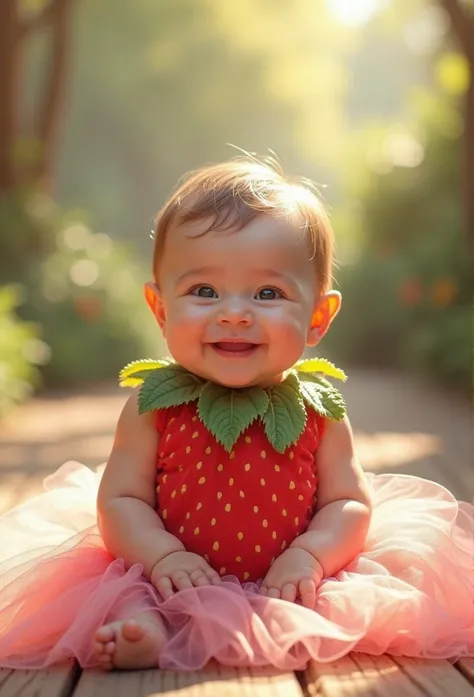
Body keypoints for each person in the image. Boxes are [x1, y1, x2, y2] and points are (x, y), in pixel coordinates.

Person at [0, 157, 472, 671]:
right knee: (125, 583)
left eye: (268, 293)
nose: (234, 313)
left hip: (288, 577)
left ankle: (198, 615)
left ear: (317, 317)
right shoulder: (154, 404)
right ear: (160, 310)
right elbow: (121, 498)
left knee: (329, 590)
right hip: (171, 570)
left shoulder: (316, 408)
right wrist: (163, 554)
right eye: (204, 291)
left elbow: (349, 503)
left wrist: (311, 555)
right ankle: (145, 629)